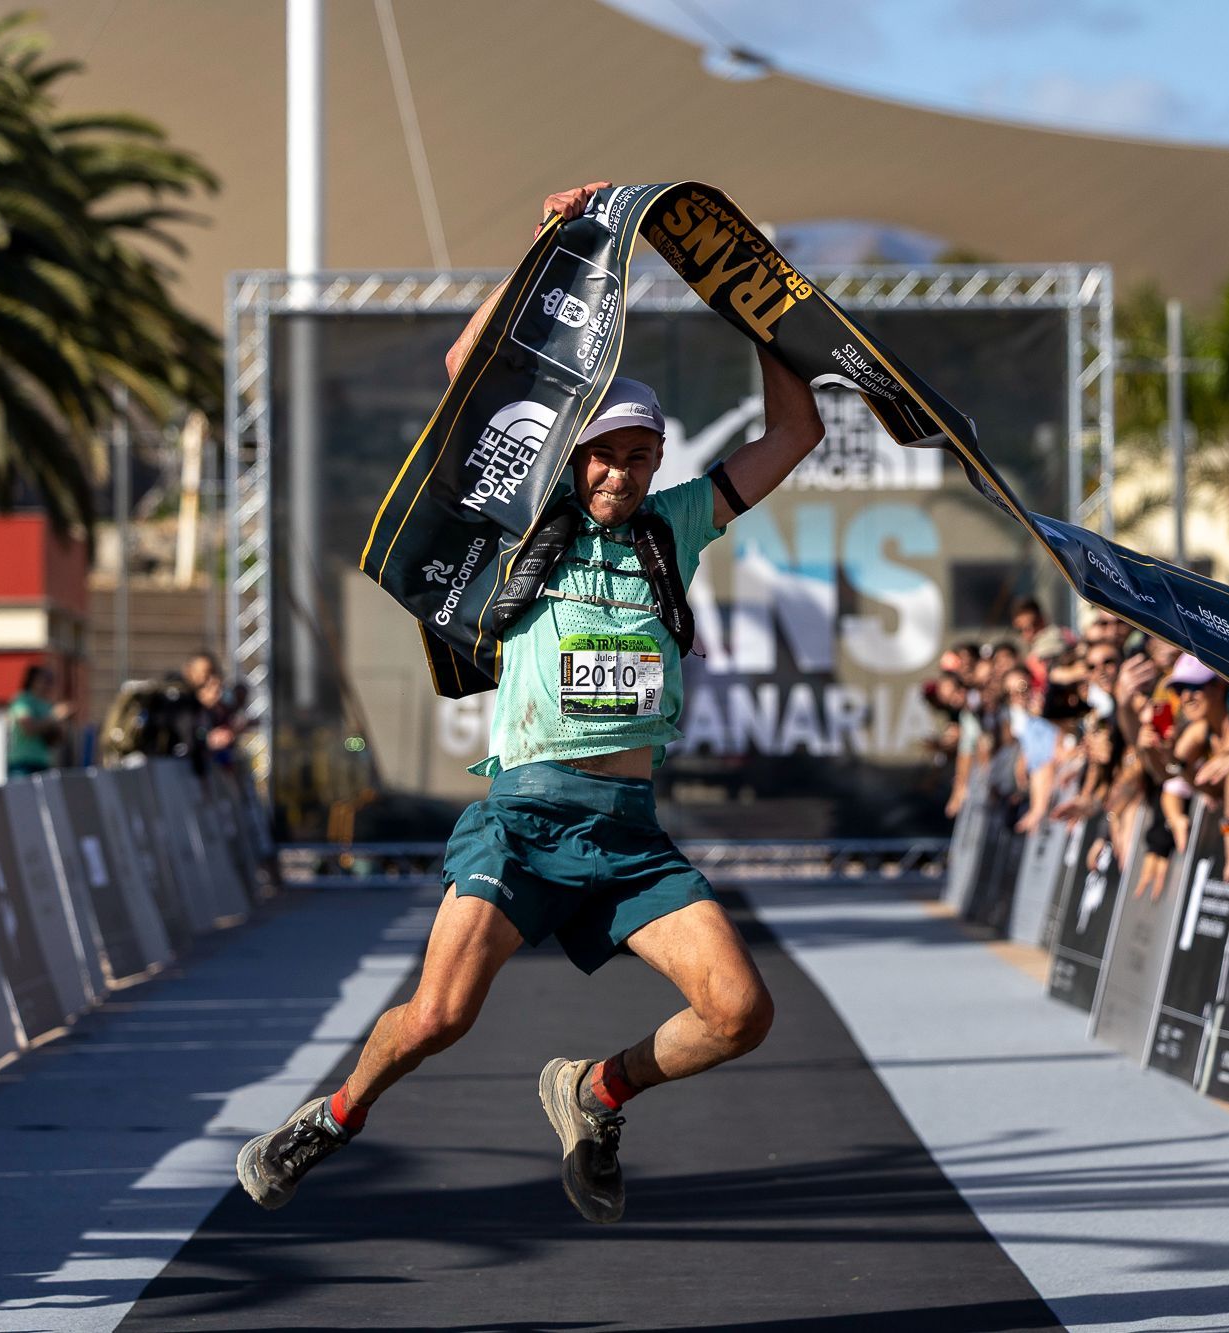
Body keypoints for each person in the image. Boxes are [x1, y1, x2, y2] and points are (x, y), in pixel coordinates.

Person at [236, 180, 825, 1225]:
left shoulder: (671, 525)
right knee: (437, 1017)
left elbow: (794, 431)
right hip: (521, 815)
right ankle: (331, 1114)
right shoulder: (518, 518)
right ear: (571, 452)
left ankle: (593, 1091)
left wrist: (761, 312)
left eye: (641, 454)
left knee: (740, 1011)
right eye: (606, 453)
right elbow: (470, 373)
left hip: (628, 832)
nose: (623, 472)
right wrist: (550, 245)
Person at [6, 664, 72, 777]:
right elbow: (28, 728)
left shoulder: (47, 705)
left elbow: (54, 740)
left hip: (42, 762)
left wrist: (60, 725)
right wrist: (53, 718)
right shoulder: (22, 700)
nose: (47, 684)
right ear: (32, 680)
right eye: (43, 679)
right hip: (22, 763)